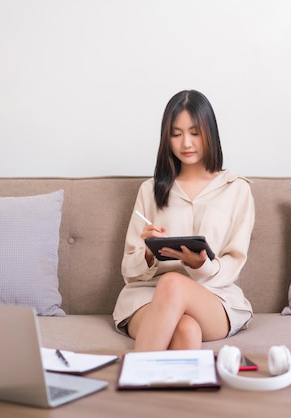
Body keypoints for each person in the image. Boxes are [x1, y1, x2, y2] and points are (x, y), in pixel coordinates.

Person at [113, 90, 255, 351]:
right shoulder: (150, 190)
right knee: (186, 329)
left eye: (195, 133)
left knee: (174, 283)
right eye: (176, 134)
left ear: (209, 132)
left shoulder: (237, 189)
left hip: (213, 296)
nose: (186, 143)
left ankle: (131, 384)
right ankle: (180, 392)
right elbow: (128, 270)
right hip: (149, 296)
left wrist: (202, 265)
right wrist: (147, 253)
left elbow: (234, 263)